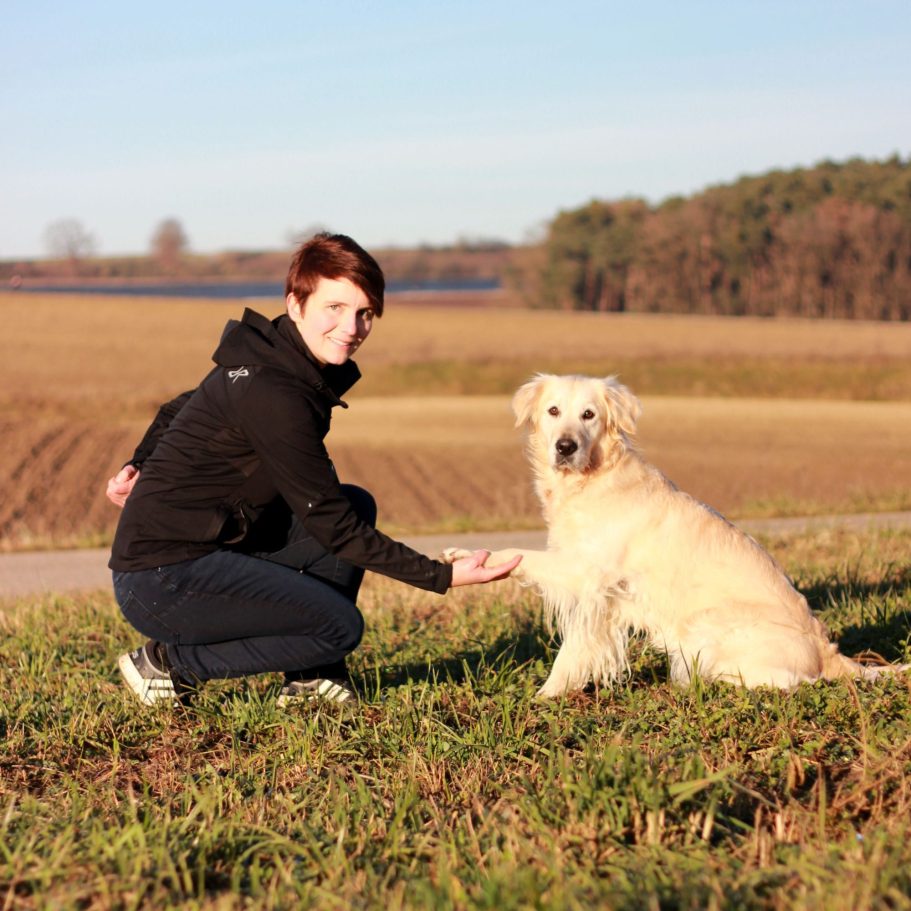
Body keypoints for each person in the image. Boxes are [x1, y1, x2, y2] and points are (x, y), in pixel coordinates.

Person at [106, 232, 520, 707]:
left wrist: (137, 463)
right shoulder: (274, 392)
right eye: (335, 308)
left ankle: (310, 680)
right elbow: (333, 527)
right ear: (296, 304)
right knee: (338, 626)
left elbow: (175, 409)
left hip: (204, 548)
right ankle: (168, 664)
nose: (352, 327)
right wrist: (441, 577)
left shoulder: (268, 356)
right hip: (162, 579)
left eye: (365, 313)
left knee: (357, 503)